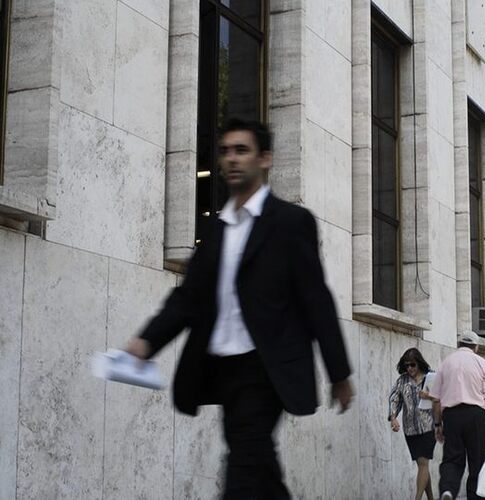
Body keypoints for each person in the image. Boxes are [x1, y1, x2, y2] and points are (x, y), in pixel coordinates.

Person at [125, 117, 353, 499]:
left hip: (265, 370)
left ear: (265, 159)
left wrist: (339, 372)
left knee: (243, 470)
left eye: (241, 150)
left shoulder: (291, 222)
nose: (231, 159)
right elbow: (188, 299)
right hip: (221, 370)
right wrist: (146, 342)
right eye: (225, 151)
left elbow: (316, 297)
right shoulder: (217, 230)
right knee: (259, 470)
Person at [429, 331, 485, 500]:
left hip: (452, 416)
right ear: (476, 347)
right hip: (476, 416)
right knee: (477, 464)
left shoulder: (446, 364)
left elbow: (435, 400)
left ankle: (447, 490)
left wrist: (438, 425)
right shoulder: (482, 363)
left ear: (458, 345)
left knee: (452, 459)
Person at [388, 348, 436, 500]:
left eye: (413, 365)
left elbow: (443, 396)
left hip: (429, 427)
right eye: (407, 365)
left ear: (419, 363)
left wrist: (429, 396)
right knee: (423, 465)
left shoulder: (431, 377)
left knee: (423, 462)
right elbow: (394, 399)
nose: (410, 368)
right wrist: (393, 417)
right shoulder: (402, 380)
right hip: (410, 429)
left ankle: (417, 498)